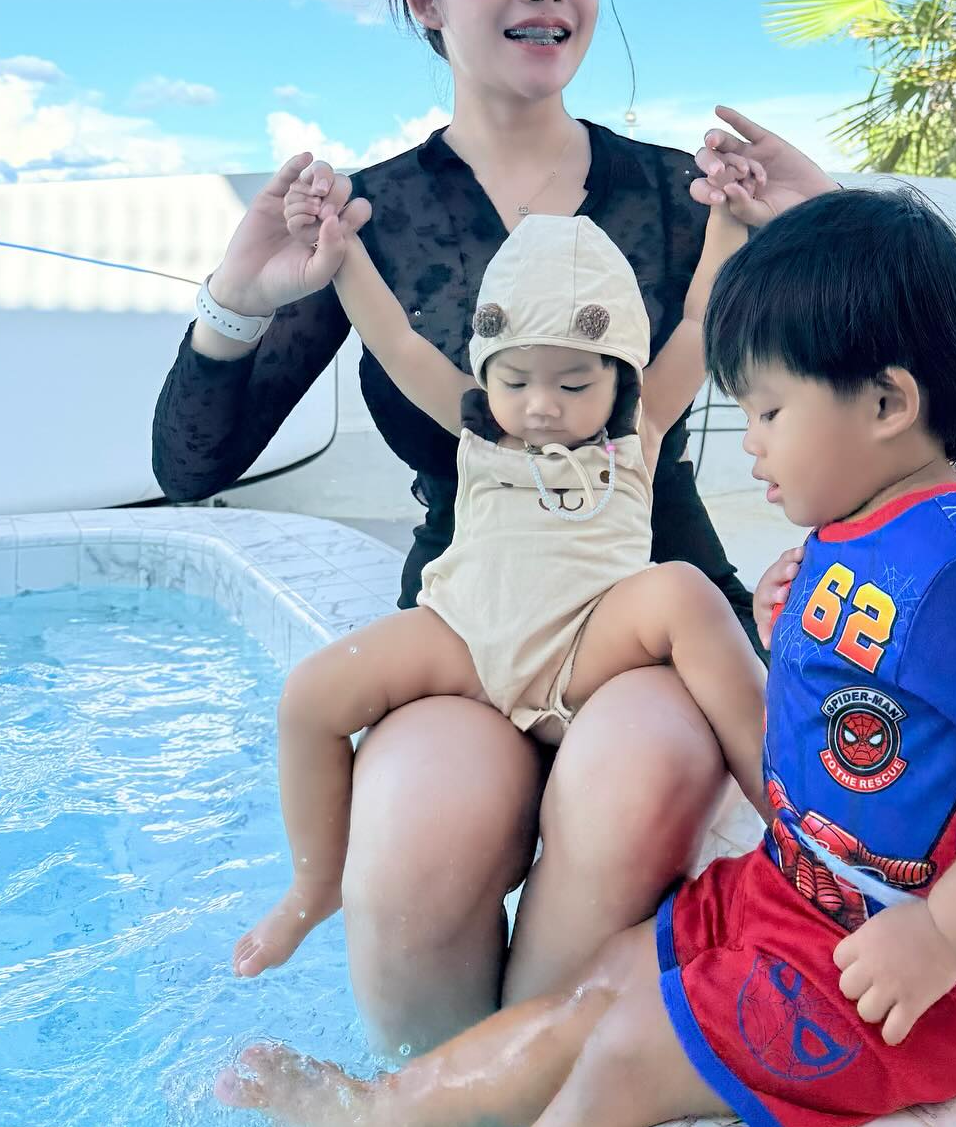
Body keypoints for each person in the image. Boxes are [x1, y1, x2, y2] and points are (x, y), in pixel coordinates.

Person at [216, 185, 956, 1127]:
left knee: (623, 1055)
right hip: (797, 899)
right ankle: (388, 1107)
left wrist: (941, 933)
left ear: (888, 402)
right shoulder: (860, 534)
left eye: (769, 411)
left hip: (916, 968)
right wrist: (783, 622)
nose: (750, 444)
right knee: (602, 979)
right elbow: (878, 696)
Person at [152, 0, 840, 1049]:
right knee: (413, 837)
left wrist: (825, 229)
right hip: (467, 623)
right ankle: (440, 1089)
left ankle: (500, 1094)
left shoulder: (686, 195)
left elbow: (892, 403)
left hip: (647, 621)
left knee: (635, 783)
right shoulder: (366, 221)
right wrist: (239, 296)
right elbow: (191, 465)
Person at [232, 202, 767, 979]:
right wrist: (341, 251)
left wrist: (726, 221)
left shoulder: (637, 431)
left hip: (588, 642)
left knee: (684, 591)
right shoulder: (475, 430)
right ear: (489, 371)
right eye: (516, 380)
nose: (542, 404)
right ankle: (315, 886)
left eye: (573, 383)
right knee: (308, 695)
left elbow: (695, 320)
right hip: (466, 638)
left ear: (619, 375)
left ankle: (786, 809)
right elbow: (396, 338)